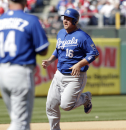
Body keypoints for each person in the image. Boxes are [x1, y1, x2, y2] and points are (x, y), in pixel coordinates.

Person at [42, 8, 99, 130]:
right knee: (50, 106)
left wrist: (79, 64)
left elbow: (94, 53)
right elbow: (58, 49)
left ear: (75, 20)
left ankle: (86, 98)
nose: (65, 21)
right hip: (59, 75)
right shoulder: (61, 33)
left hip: (75, 77)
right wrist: (50, 60)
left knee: (66, 106)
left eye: (68, 19)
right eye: (64, 18)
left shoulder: (82, 36)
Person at [0, 0, 49, 130]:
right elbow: (43, 50)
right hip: (19, 72)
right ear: (25, 2)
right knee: (20, 124)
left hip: (2, 72)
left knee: (16, 120)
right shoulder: (30, 20)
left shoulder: (1, 19)